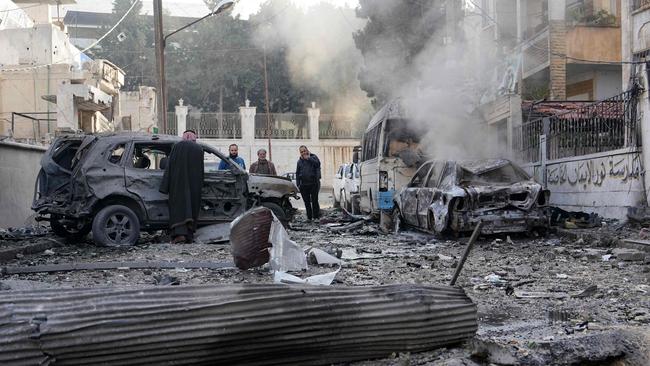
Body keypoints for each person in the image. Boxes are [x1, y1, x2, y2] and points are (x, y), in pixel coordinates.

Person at [160, 130, 204, 244]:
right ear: (190, 136)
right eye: (195, 138)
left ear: (185, 136)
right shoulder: (199, 149)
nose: (195, 140)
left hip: (177, 185)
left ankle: (179, 234)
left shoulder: (177, 147)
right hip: (194, 185)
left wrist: (165, 186)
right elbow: (201, 171)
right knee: (192, 208)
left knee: (178, 209)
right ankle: (189, 235)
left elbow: (169, 166)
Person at [296, 145, 321, 221]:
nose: (303, 153)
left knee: (314, 201)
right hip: (303, 185)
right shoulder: (299, 161)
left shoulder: (313, 157)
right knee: (306, 202)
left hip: (313, 183)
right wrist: (298, 184)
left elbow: (318, 164)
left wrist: (309, 159)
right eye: (301, 152)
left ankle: (316, 217)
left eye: (304, 151)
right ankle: (309, 217)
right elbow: (297, 173)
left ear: (307, 150)